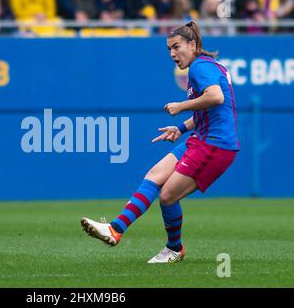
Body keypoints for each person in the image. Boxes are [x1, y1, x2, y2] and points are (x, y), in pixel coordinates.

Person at [81, 21, 239, 264]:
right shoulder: (206, 65)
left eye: (177, 47)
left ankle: (174, 249)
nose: (173, 54)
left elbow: (216, 98)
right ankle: (115, 229)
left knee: (167, 196)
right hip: (201, 139)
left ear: (193, 44)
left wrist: (180, 107)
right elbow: (211, 111)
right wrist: (180, 128)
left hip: (214, 145)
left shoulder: (199, 68)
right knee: (155, 174)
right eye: (169, 49)